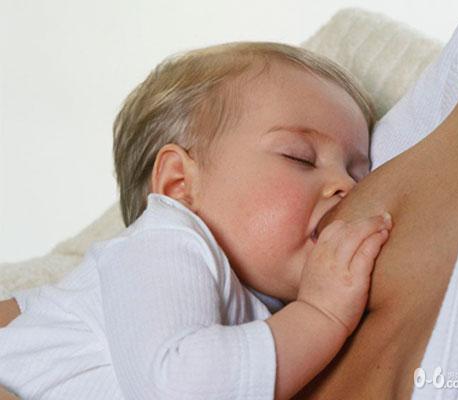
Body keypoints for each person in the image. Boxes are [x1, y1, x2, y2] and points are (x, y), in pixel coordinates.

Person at [0, 42, 392, 399]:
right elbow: (179, 386)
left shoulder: (266, 314)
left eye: (360, 175)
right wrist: (322, 314)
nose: (346, 187)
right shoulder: (162, 243)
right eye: (299, 157)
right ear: (179, 185)